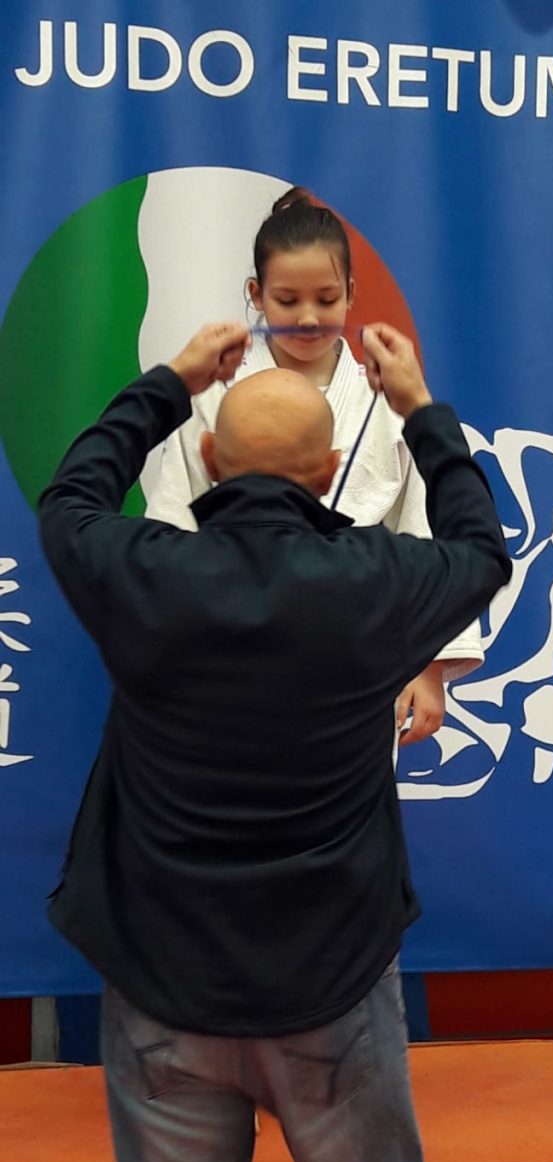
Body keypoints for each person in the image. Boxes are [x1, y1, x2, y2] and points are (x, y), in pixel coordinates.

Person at [38, 319, 511, 1162]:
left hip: (164, 985)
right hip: (333, 984)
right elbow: (483, 549)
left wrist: (168, 384)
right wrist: (420, 410)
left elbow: (70, 498)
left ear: (208, 459)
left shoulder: (141, 572)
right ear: (331, 471)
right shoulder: (377, 582)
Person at [145, 187, 483, 747]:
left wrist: (430, 666)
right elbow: (172, 524)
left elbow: (430, 530)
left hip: (357, 658)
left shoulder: (386, 397)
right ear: (256, 295)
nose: (307, 318)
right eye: (287, 300)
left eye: (326, 300)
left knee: (348, 797)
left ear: (351, 293)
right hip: (229, 647)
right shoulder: (216, 393)